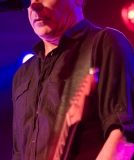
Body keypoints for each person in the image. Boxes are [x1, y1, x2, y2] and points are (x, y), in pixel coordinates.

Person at [11, 0, 134, 159]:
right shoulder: (23, 74)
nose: (34, 5)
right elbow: (18, 153)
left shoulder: (104, 43)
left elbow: (123, 136)